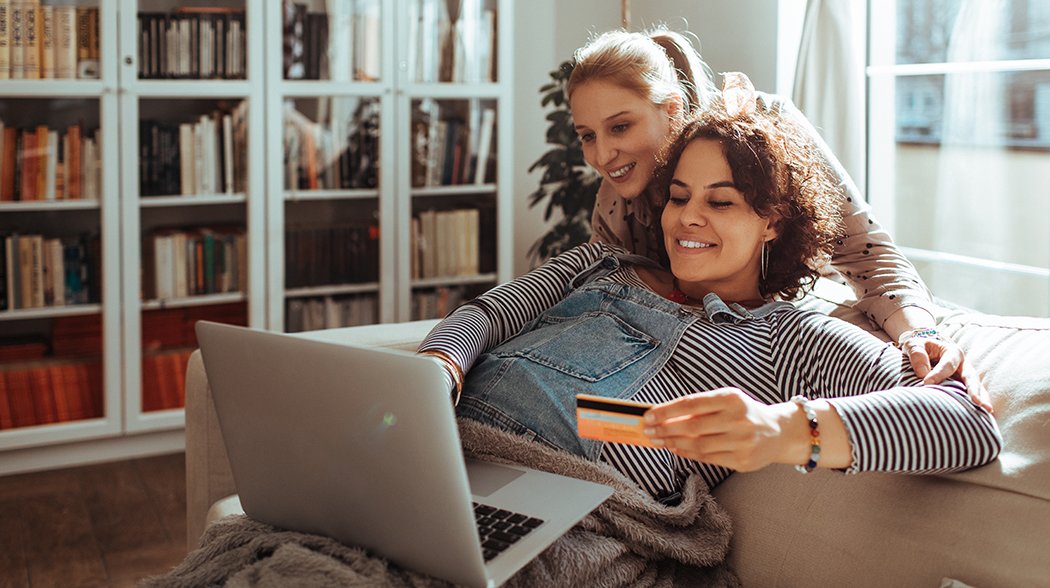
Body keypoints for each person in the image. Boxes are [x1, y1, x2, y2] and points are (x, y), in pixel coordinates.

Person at [418, 86, 1001, 500]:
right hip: (433, 463)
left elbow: (967, 424)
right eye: (677, 196)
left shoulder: (788, 336)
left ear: (773, 220)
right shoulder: (602, 260)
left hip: (559, 519)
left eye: (720, 202)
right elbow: (487, 314)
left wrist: (782, 432)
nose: (686, 219)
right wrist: (438, 367)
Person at [564, 28, 989, 409]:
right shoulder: (615, 203)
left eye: (620, 127)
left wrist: (920, 335)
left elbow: (869, 257)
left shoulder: (767, 134)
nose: (601, 156)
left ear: (672, 109)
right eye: (587, 136)